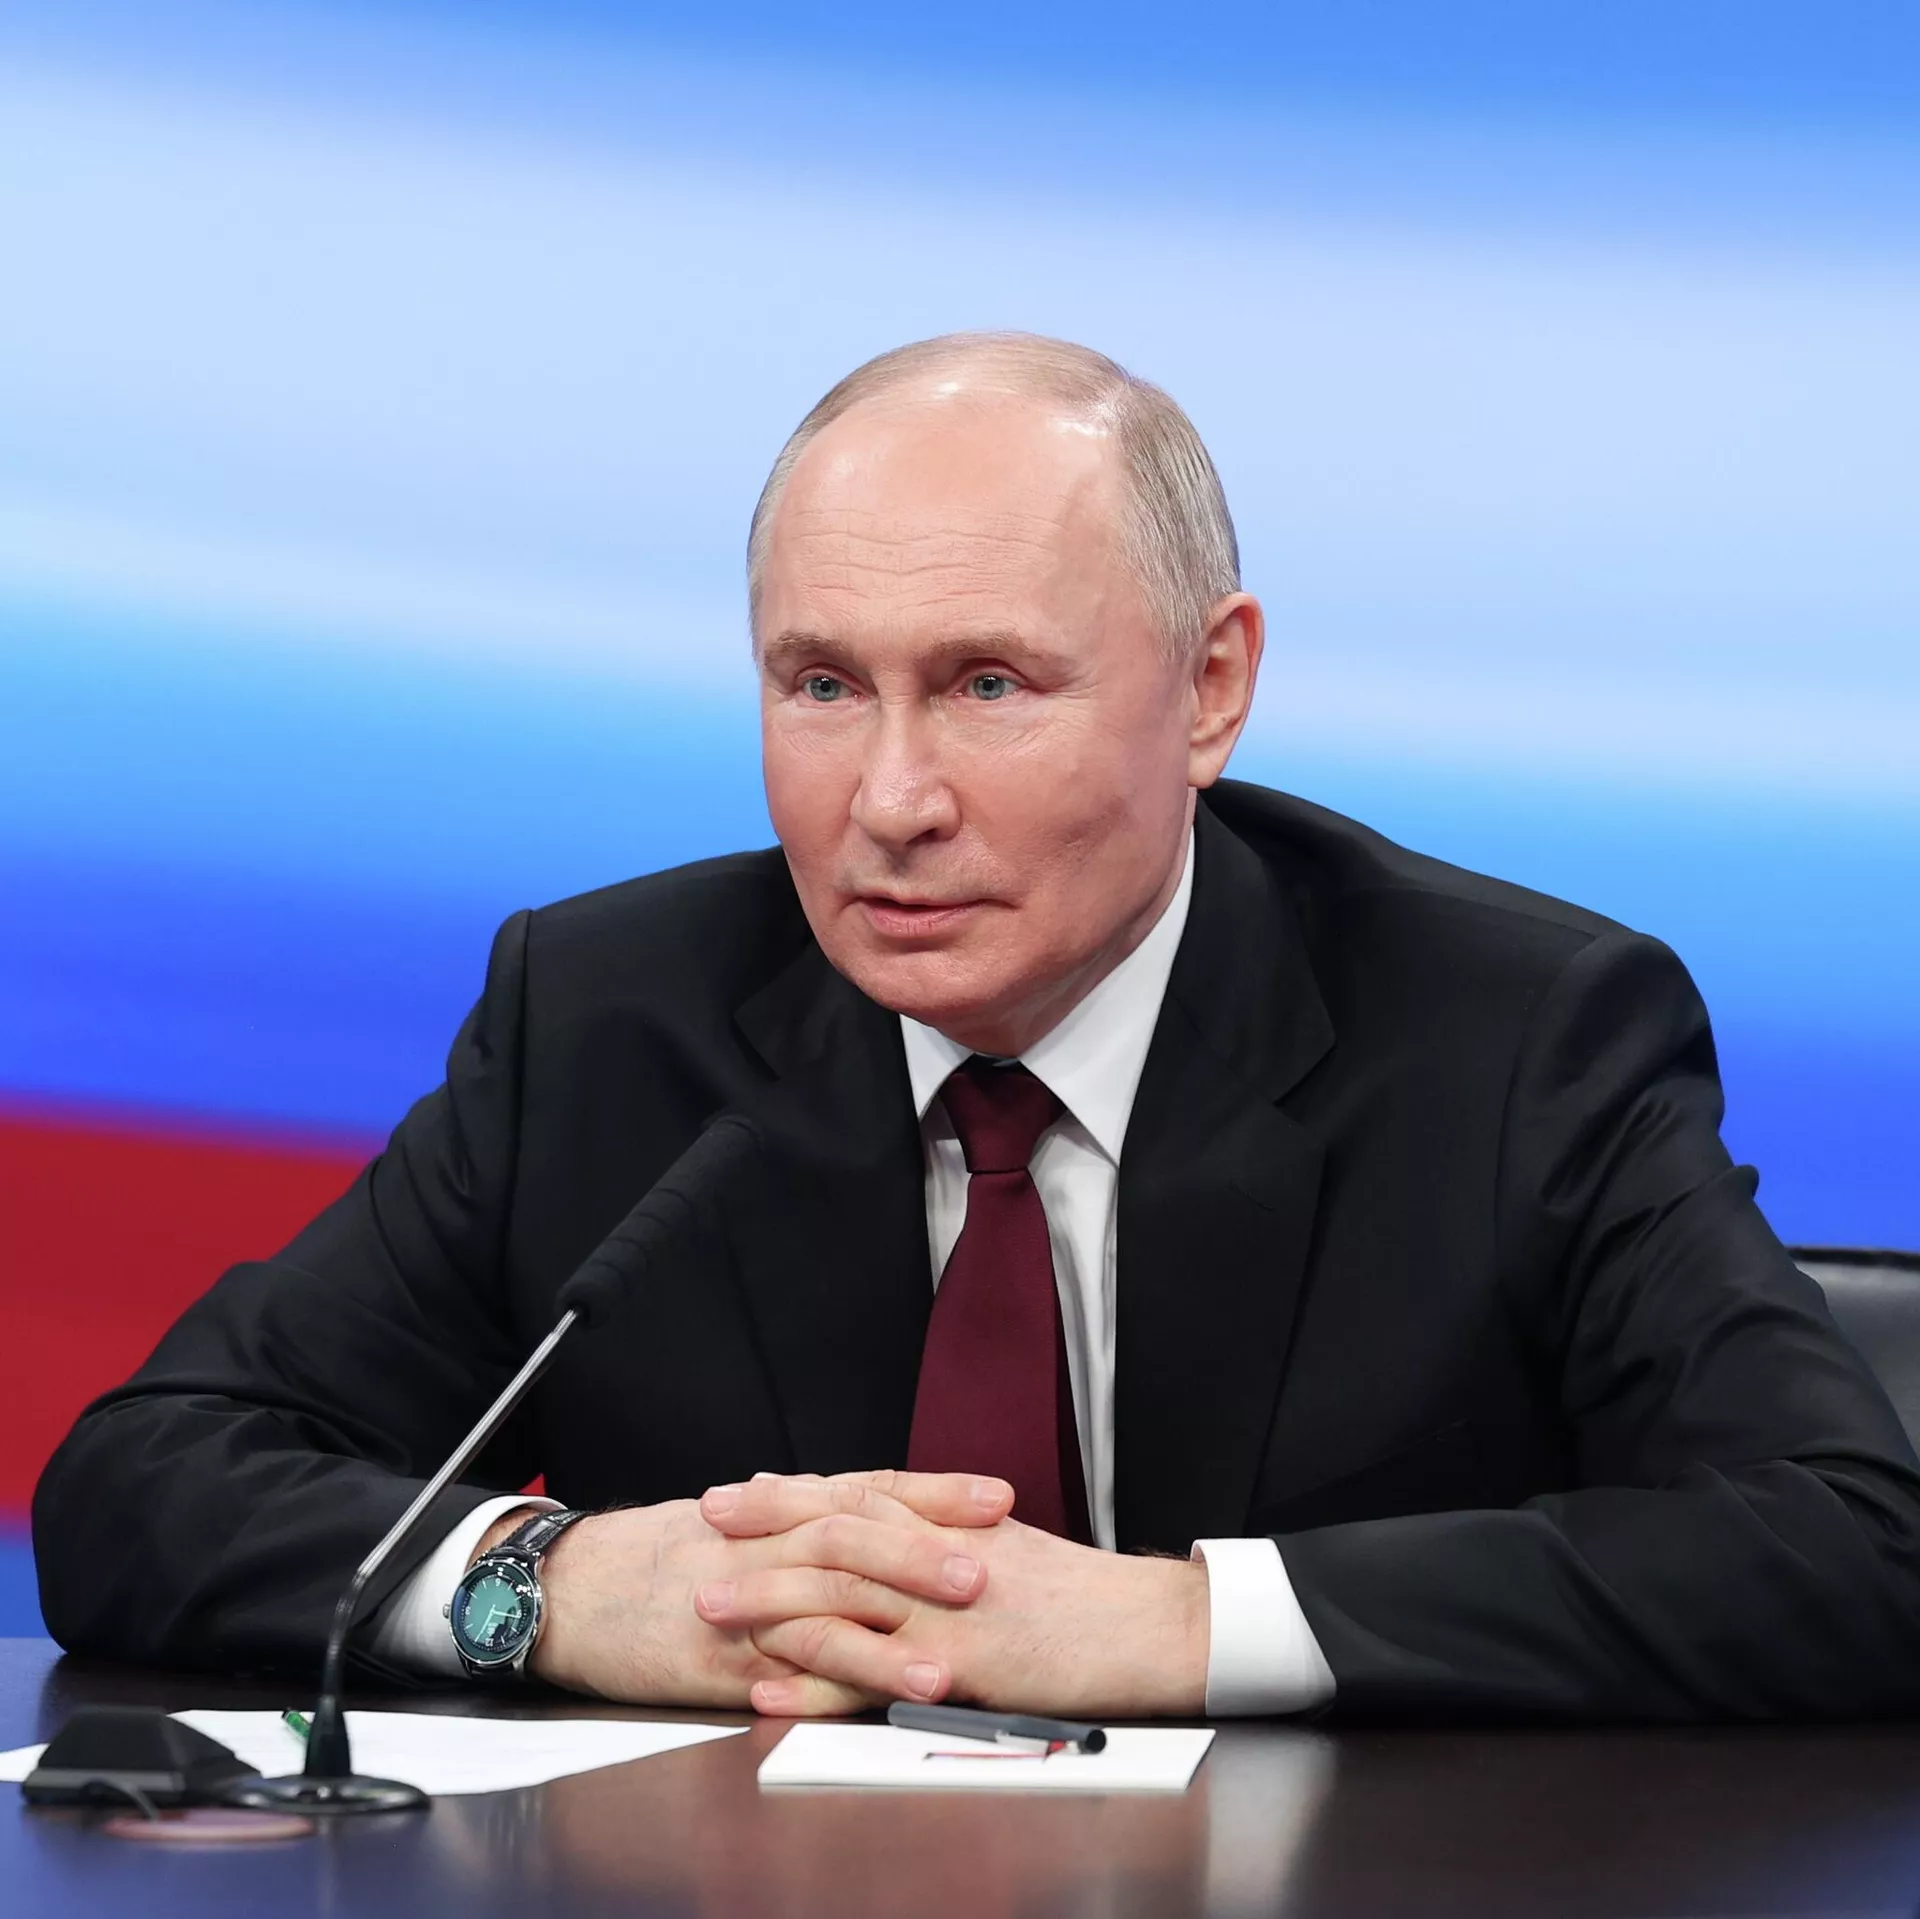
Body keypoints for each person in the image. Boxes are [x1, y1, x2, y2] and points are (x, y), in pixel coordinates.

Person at [35, 333, 1920, 1722]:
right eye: (820, 684)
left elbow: (1858, 1543)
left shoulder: (1514, 1037)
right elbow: (140, 1482)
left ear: (1211, 688)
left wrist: (1175, 1623)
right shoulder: (607, 1018)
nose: (890, 798)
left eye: (989, 684)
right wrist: (558, 1582)